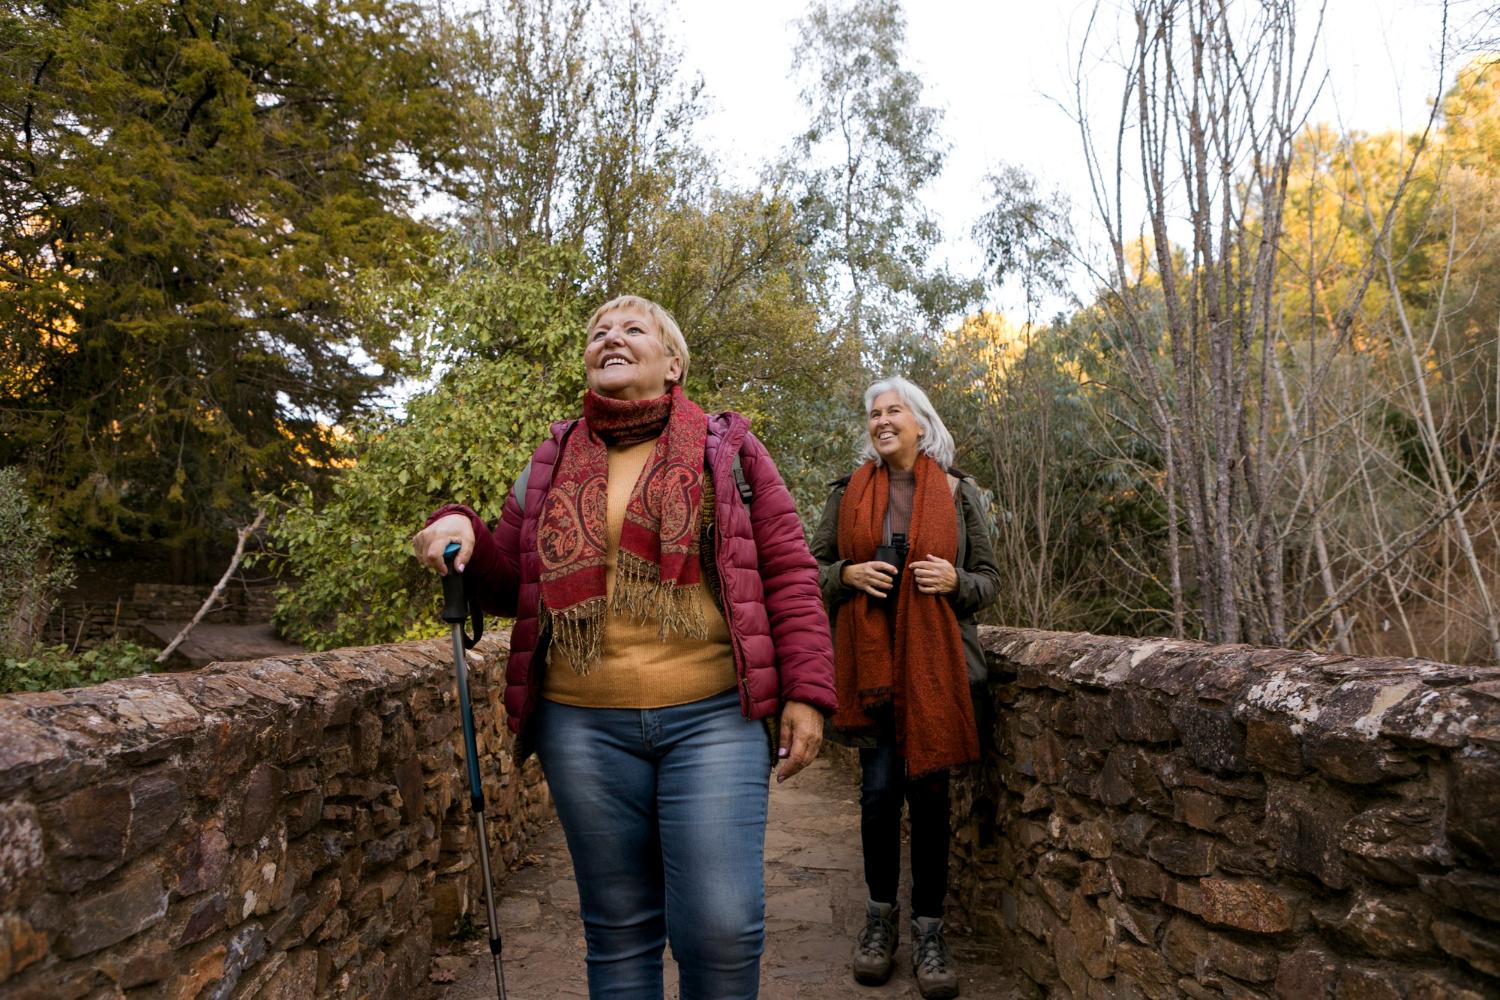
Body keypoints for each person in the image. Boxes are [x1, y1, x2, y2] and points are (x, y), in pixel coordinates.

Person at [411, 295, 836, 1000]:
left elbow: (789, 573)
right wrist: (458, 525)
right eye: (598, 332)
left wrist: (808, 694)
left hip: (713, 718)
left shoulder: (727, 449)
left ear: (673, 363)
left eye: (632, 329)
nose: (610, 337)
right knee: (619, 929)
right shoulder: (554, 456)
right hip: (582, 726)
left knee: (722, 925)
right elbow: (510, 577)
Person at [811, 376, 1000, 1000]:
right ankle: (879, 921)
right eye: (874, 413)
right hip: (872, 675)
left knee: (931, 800)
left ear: (921, 423)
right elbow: (809, 572)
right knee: (878, 795)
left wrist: (955, 580)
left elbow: (991, 580)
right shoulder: (847, 493)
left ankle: (930, 932)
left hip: (938, 672)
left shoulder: (956, 491)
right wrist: (846, 572)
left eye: (894, 411)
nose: (881, 420)